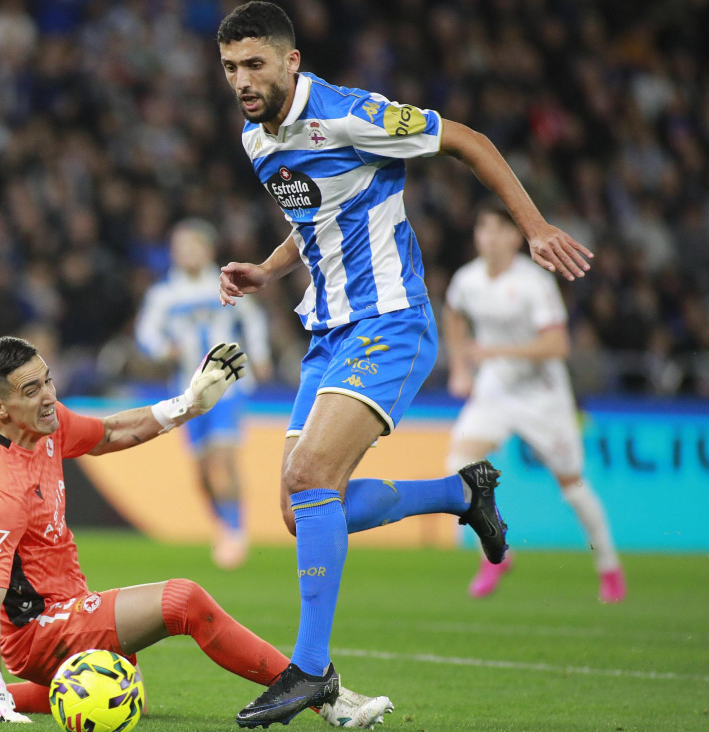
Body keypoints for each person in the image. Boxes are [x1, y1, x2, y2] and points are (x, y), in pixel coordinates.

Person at [212, 3, 593, 727]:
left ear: (291, 61)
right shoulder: (256, 140)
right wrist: (268, 269)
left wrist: (534, 227)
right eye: (231, 67)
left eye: (255, 64)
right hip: (327, 333)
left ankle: (312, 670)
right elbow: (313, 218)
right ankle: (461, 493)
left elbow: (470, 141)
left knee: (309, 479)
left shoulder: (356, 114)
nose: (242, 80)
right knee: (301, 511)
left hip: (389, 322)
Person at [0, 335, 393, 728]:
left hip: (70, 609)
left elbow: (113, 433)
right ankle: (321, 694)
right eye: (31, 390)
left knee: (121, 697)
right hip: (37, 631)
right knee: (183, 600)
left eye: (48, 380)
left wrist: (189, 404)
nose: (49, 396)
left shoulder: (44, 425)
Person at [444, 201, 625, 603]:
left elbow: (558, 344)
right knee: (457, 466)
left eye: (498, 230)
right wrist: (460, 367)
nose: (489, 238)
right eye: (483, 229)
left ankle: (609, 566)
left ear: (514, 236)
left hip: (543, 396)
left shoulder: (533, 283)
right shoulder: (467, 279)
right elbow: (453, 314)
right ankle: (496, 553)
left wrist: (498, 351)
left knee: (573, 487)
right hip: (495, 390)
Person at [136, 218, 271, 569]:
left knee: (223, 459)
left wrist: (259, 356)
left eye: (192, 246)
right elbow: (146, 334)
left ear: (208, 250)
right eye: (179, 247)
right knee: (201, 473)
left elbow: (253, 320)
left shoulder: (224, 284)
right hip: (187, 392)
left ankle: (237, 531)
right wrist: (162, 349)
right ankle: (224, 527)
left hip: (228, 386)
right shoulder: (164, 294)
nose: (186, 253)